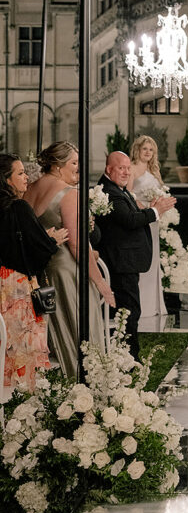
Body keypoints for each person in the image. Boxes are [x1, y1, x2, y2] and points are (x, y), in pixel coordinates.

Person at [25, 141, 114, 379]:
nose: (78, 167)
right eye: (74, 163)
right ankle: (85, 381)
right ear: (57, 165)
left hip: (42, 271)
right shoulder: (69, 193)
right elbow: (76, 244)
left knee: (53, 329)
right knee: (81, 329)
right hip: (68, 272)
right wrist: (100, 282)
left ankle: (56, 383)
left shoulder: (30, 189)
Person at [95, 152, 176, 359]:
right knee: (128, 311)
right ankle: (129, 357)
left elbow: (131, 215)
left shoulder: (117, 189)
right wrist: (155, 211)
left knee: (129, 310)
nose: (126, 172)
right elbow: (129, 220)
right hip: (120, 261)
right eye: (121, 168)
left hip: (125, 261)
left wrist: (152, 209)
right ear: (108, 169)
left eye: (128, 168)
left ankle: (127, 354)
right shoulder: (109, 192)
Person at [0, 153, 67, 392]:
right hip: (17, 286)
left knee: (3, 343)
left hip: (2, 283)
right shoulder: (19, 207)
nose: (26, 177)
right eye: (20, 173)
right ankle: (18, 398)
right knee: (22, 348)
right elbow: (36, 250)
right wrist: (52, 240)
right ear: (6, 179)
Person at [128, 135, 169, 331]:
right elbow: (128, 194)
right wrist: (144, 208)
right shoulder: (131, 168)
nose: (148, 152)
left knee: (153, 259)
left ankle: (153, 304)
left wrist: (159, 205)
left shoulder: (153, 171)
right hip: (140, 216)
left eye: (151, 150)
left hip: (153, 218)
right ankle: (142, 305)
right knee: (143, 257)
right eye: (145, 148)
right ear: (137, 149)